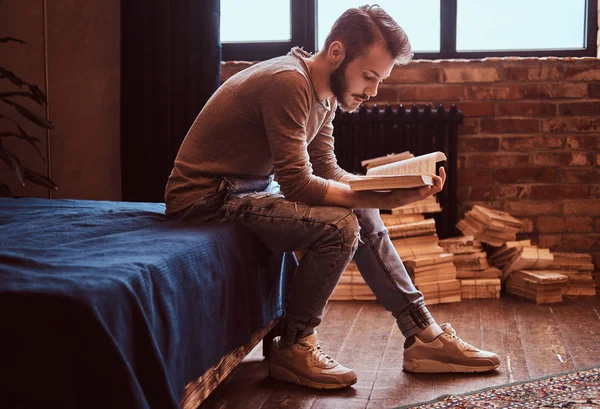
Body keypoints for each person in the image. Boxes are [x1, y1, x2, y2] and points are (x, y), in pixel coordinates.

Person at [165, 4, 500, 390]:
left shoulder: (323, 94)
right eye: (369, 77)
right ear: (338, 53)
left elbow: (328, 170)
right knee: (340, 226)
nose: (372, 92)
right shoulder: (288, 83)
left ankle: (424, 335)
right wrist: (383, 199)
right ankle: (294, 345)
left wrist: (392, 191)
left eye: (379, 80)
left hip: (248, 191)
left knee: (362, 212)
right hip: (206, 200)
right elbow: (298, 184)